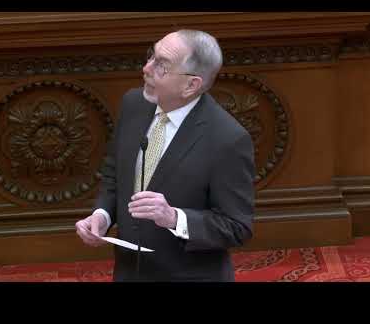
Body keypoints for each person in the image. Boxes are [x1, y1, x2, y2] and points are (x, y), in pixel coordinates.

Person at [75, 29, 255, 282]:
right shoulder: (134, 104)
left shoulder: (228, 139)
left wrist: (173, 218)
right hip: (129, 272)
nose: (146, 68)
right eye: (151, 56)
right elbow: (115, 174)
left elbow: (237, 227)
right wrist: (102, 215)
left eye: (162, 65)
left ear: (191, 85)